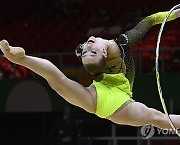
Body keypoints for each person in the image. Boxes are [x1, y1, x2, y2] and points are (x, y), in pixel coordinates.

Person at [0, 9, 180, 130]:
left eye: (87, 51)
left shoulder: (94, 46)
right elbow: (57, 78)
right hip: (107, 101)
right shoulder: (118, 45)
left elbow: (152, 20)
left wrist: (175, 13)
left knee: (157, 118)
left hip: (119, 92)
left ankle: (23, 59)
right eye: (88, 51)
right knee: (58, 83)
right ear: (102, 52)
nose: (87, 46)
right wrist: (23, 59)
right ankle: (23, 59)